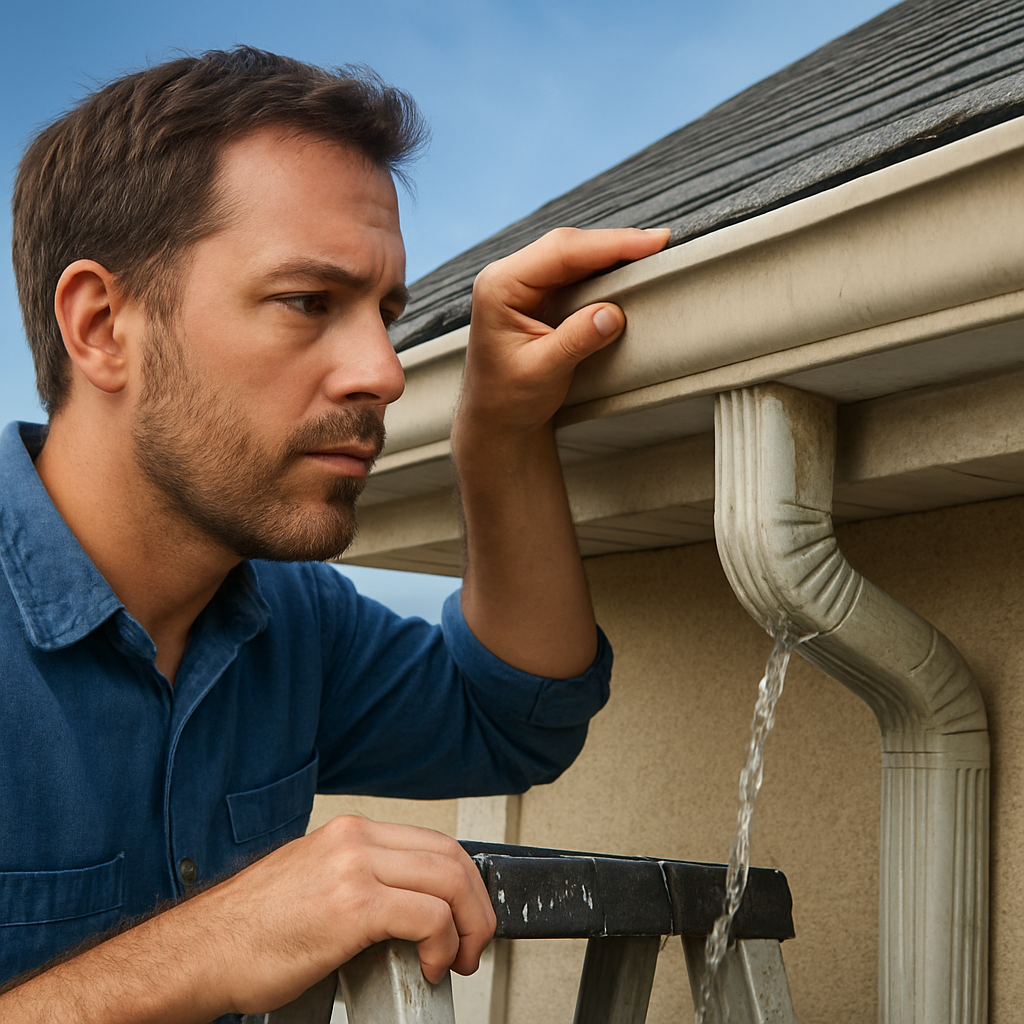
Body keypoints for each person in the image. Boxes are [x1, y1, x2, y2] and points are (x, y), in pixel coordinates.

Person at [0, 47, 669, 1023]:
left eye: (384, 313)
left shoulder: (288, 617)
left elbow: (515, 717)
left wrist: (496, 435)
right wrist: (216, 941)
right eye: (308, 302)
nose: (384, 372)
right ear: (103, 326)